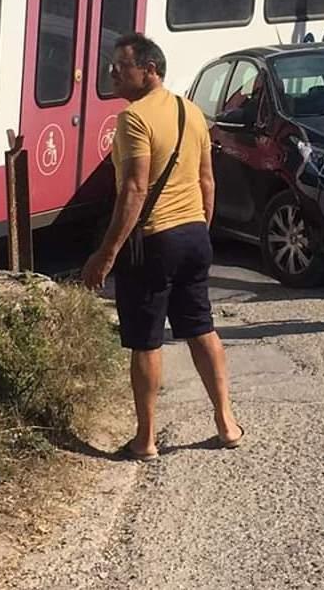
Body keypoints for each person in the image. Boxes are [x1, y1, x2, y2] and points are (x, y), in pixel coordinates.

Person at [81, 32, 243, 459]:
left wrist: (107, 253)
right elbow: (207, 179)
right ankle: (226, 422)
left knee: (146, 340)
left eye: (122, 65)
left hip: (154, 240)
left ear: (150, 69)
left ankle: (145, 438)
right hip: (193, 234)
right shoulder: (191, 111)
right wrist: (200, 230)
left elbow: (133, 190)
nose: (113, 72)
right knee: (200, 326)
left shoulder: (134, 120)